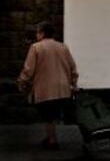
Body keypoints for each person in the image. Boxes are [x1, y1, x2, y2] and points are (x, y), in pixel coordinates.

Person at [16, 21, 78, 149]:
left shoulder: (36, 47)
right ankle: (50, 137)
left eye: (37, 32)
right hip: (62, 89)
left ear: (42, 33)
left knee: (48, 115)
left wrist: (22, 81)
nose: (36, 35)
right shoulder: (63, 47)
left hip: (45, 89)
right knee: (52, 114)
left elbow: (29, 69)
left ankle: (52, 141)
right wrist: (73, 84)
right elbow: (73, 68)